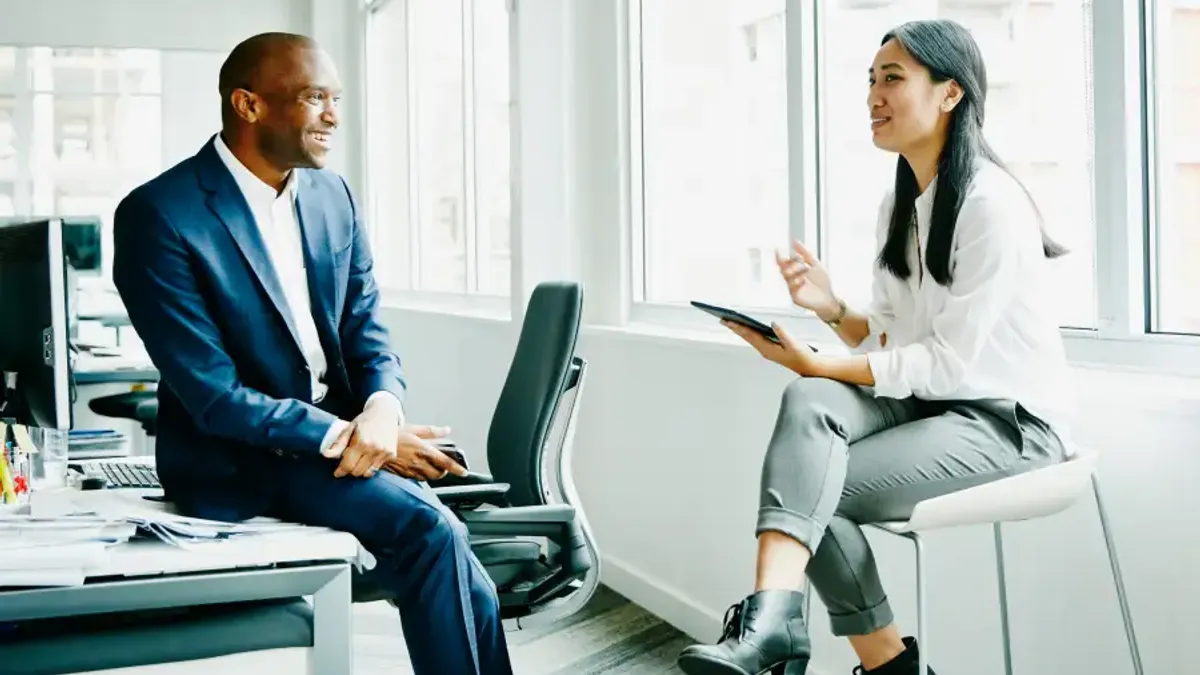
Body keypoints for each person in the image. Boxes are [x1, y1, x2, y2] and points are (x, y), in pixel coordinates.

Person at [676, 19, 1074, 675]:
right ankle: (775, 615)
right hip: (938, 406)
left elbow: (950, 361)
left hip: (1011, 423)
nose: (873, 96)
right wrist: (831, 309)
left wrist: (820, 357)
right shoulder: (903, 205)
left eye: (893, 79)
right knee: (809, 402)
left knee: (811, 483)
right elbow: (897, 340)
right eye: (869, 80)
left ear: (951, 94)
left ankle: (874, 662)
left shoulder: (992, 206)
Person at [111, 32, 513, 675]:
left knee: (451, 544)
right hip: (236, 457)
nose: (334, 114)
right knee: (433, 533)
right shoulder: (160, 214)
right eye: (314, 97)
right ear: (248, 105)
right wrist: (351, 438)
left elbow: (365, 325)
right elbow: (213, 395)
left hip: (341, 432)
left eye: (335, 97)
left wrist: (382, 409)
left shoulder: (334, 197)